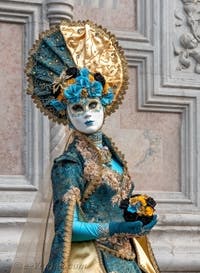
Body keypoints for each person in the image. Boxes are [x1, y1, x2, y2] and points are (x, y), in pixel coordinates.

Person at [22, 20, 160, 273]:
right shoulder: (69, 164)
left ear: (104, 103)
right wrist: (115, 228)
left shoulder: (112, 155)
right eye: (77, 107)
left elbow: (118, 204)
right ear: (65, 113)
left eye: (93, 104)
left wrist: (141, 218)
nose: (87, 113)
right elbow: (68, 229)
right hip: (90, 262)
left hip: (129, 258)